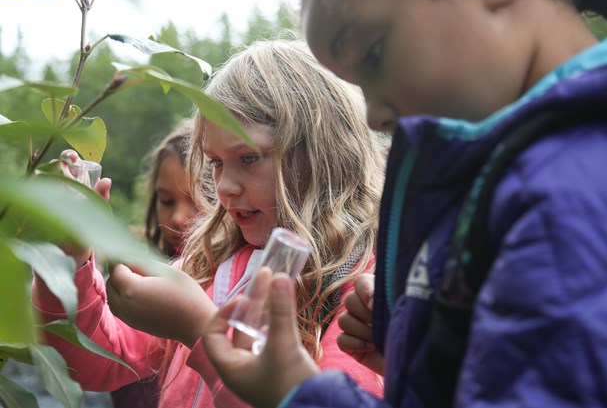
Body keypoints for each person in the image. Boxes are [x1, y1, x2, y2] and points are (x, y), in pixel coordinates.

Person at [200, 0, 607, 408]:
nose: (373, 116)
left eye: (373, 55)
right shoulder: (512, 180)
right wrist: (425, 356)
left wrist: (297, 394)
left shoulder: (573, 195)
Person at [31, 38, 385, 408]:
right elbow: (96, 362)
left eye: (247, 158)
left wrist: (199, 329)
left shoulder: (359, 295)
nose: (224, 187)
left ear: (323, 155)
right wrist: (67, 263)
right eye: (215, 162)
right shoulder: (212, 267)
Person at [110, 118, 198, 408]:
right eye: (166, 200)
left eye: (196, 202)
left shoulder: (234, 278)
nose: (176, 218)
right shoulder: (131, 266)